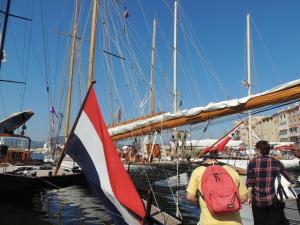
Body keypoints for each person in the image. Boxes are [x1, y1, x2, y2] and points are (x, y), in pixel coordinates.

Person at [186, 155, 248, 225]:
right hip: (235, 222)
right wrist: (229, 203)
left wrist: (204, 203)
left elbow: (190, 197)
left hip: (208, 222)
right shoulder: (231, 170)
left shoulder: (198, 171)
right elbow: (244, 197)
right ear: (217, 161)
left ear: (203, 163)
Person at [246, 140, 294, 225]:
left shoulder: (252, 162)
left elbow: (250, 182)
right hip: (274, 200)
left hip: (258, 200)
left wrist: (249, 197)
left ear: (258, 150)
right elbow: (289, 178)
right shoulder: (276, 162)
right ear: (268, 150)